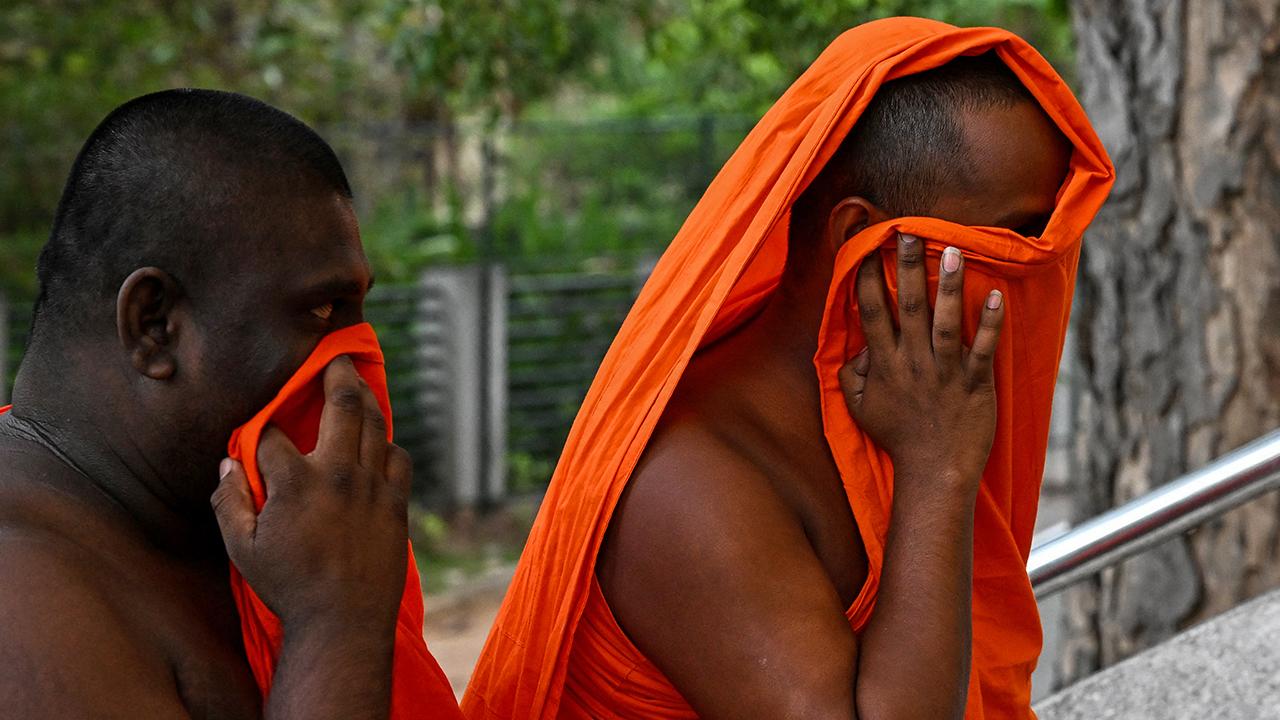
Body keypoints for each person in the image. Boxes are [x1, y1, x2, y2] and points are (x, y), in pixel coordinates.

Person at [462, 17, 1113, 720]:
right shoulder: (692, 480)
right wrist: (936, 471)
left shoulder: (906, 402)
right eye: (1013, 238)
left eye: (1050, 238)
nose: (1038, 271)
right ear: (860, 239)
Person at [0, 89, 459, 718]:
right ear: (155, 325)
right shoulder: (22, 601)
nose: (355, 368)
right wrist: (335, 621)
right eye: (321, 312)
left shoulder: (233, 531)